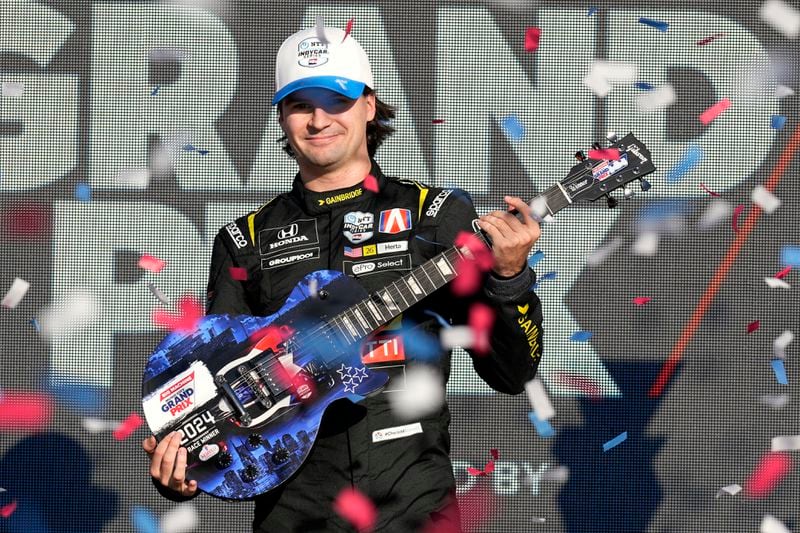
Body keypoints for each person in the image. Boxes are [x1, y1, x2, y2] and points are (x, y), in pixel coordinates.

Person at [143, 23, 544, 532]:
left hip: (416, 512)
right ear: (282, 118)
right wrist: (179, 474)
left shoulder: (434, 216)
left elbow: (512, 374)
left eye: (336, 100)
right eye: (300, 104)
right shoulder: (244, 240)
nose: (318, 120)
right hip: (295, 518)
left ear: (369, 106)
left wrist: (509, 278)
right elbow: (211, 399)